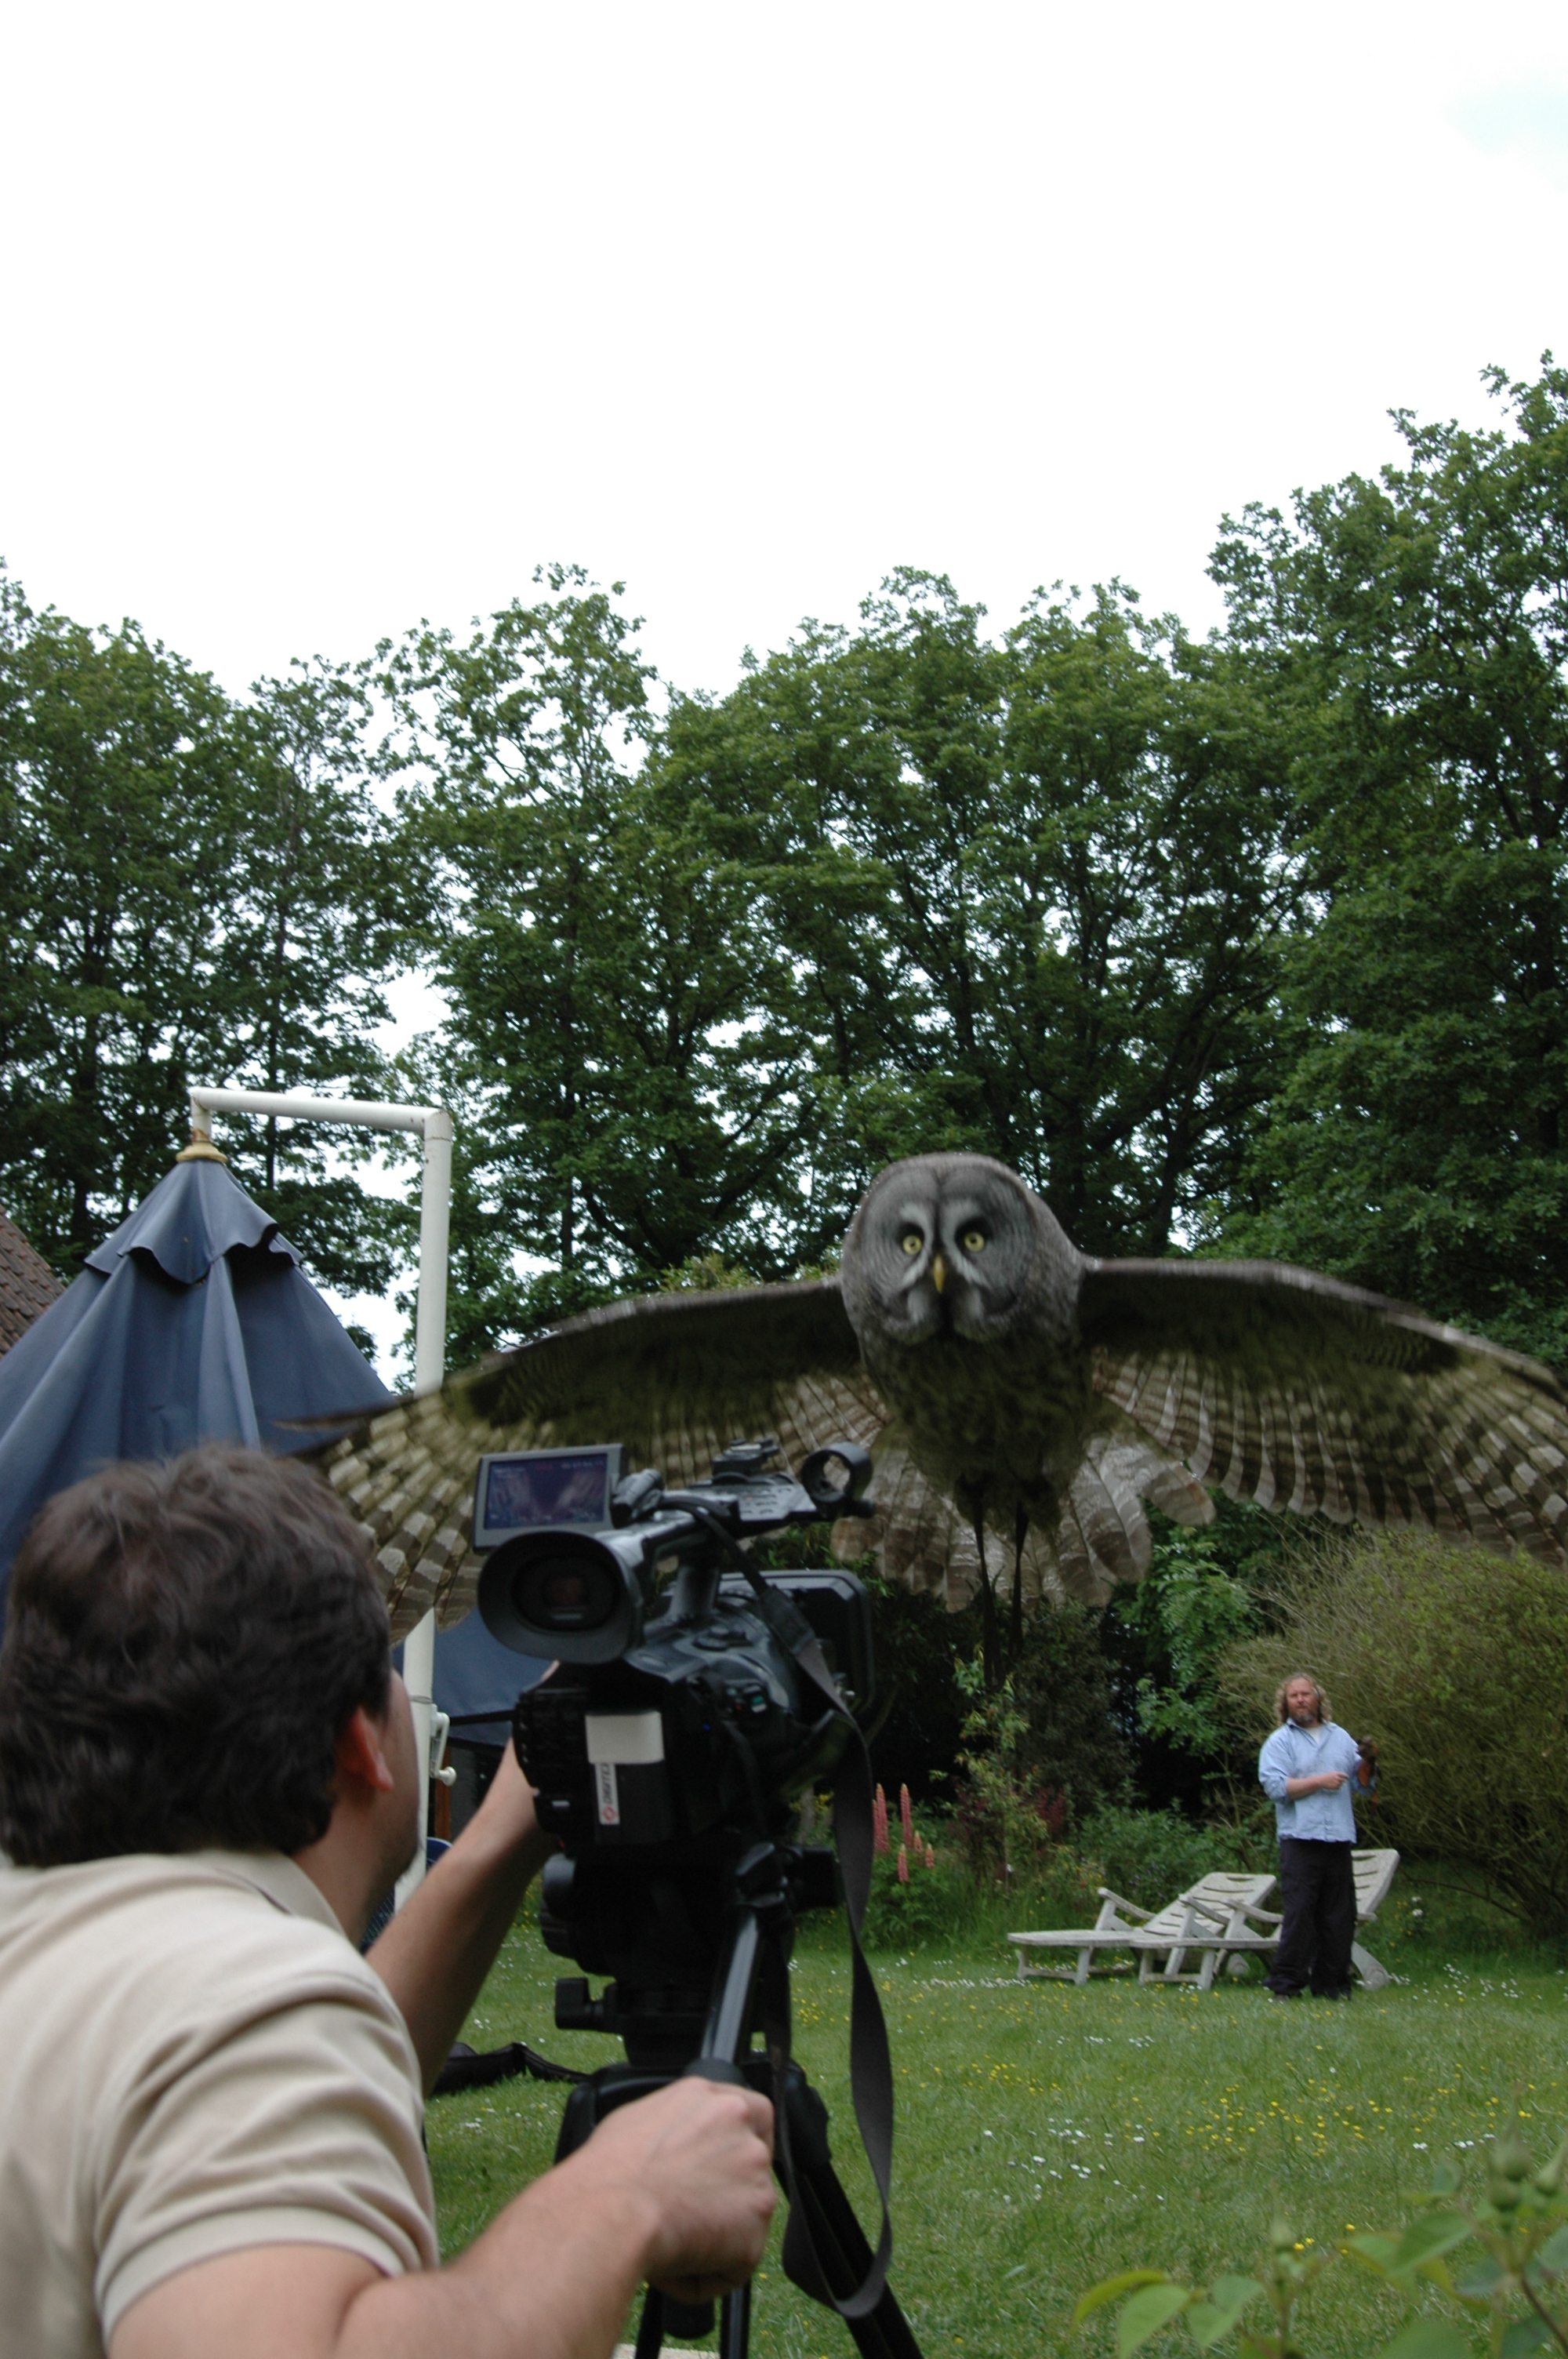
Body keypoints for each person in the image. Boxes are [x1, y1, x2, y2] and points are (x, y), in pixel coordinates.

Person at [0, 1445, 776, 2359]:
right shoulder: (242, 2003)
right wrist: (624, 2193)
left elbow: (246, 2085)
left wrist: (495, 1839)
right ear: (362, 1740)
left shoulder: (78, 1955)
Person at [1256, 1671, 1369, 2001]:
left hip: (1338, 1839)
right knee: (1300, 1916)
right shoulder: (1280, 1742)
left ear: (1318, 1699)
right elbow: (1276, 1788)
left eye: (1306, 1694)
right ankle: (1286, 1987)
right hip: (1300, 1840)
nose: (1301, 1700)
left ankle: (1333, 1986)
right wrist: (1319, 1781)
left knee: (1339, 1918)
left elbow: (1363, 1785)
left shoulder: (1341, 1738)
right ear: (1286, 1703)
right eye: (1294, 1696)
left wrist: (1369, 1764)